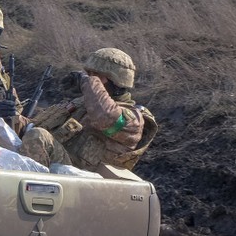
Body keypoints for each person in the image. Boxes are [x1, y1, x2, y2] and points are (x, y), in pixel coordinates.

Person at [19, 48, 158, 171]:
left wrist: (88, 82)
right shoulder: (81, 103)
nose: (89, 78)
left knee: (39, 136)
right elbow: (34, 125)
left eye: (95, 75)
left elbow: (105, 118)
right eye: (88, 74)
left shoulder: (132, 119)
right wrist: (12, 118)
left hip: (84, 182)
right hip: (59, 169)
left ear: (115, 81)